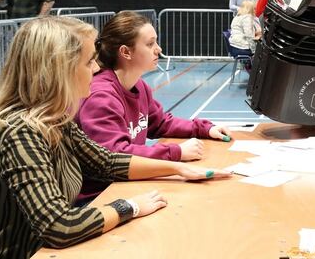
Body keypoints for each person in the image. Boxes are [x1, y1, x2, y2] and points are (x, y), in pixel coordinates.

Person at [0, 16, 230, 259]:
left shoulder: (55, 121)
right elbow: (59, 226)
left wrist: (176, 169)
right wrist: (130, 206)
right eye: (89, 61)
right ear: (59, 69)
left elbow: (106, 161)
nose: (96, 69)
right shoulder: (20, 132)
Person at [76, 11, 232, 197]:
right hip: (100, 195)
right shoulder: (101, 96)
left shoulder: (139, 86)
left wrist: (204, 129)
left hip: (128, 183)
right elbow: (117, 155)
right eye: (150, 44)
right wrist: (176, 152)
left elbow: (161, 123)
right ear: (126, 52)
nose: (158, 49)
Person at [228, 0, 260, 70]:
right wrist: (254, 51)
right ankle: (256, 73)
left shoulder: (237, 17)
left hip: (234, 47)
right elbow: (249, 36)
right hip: (242, 48)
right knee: (261, 51)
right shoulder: (247, 17)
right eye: (253, 8)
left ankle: (250, 69)